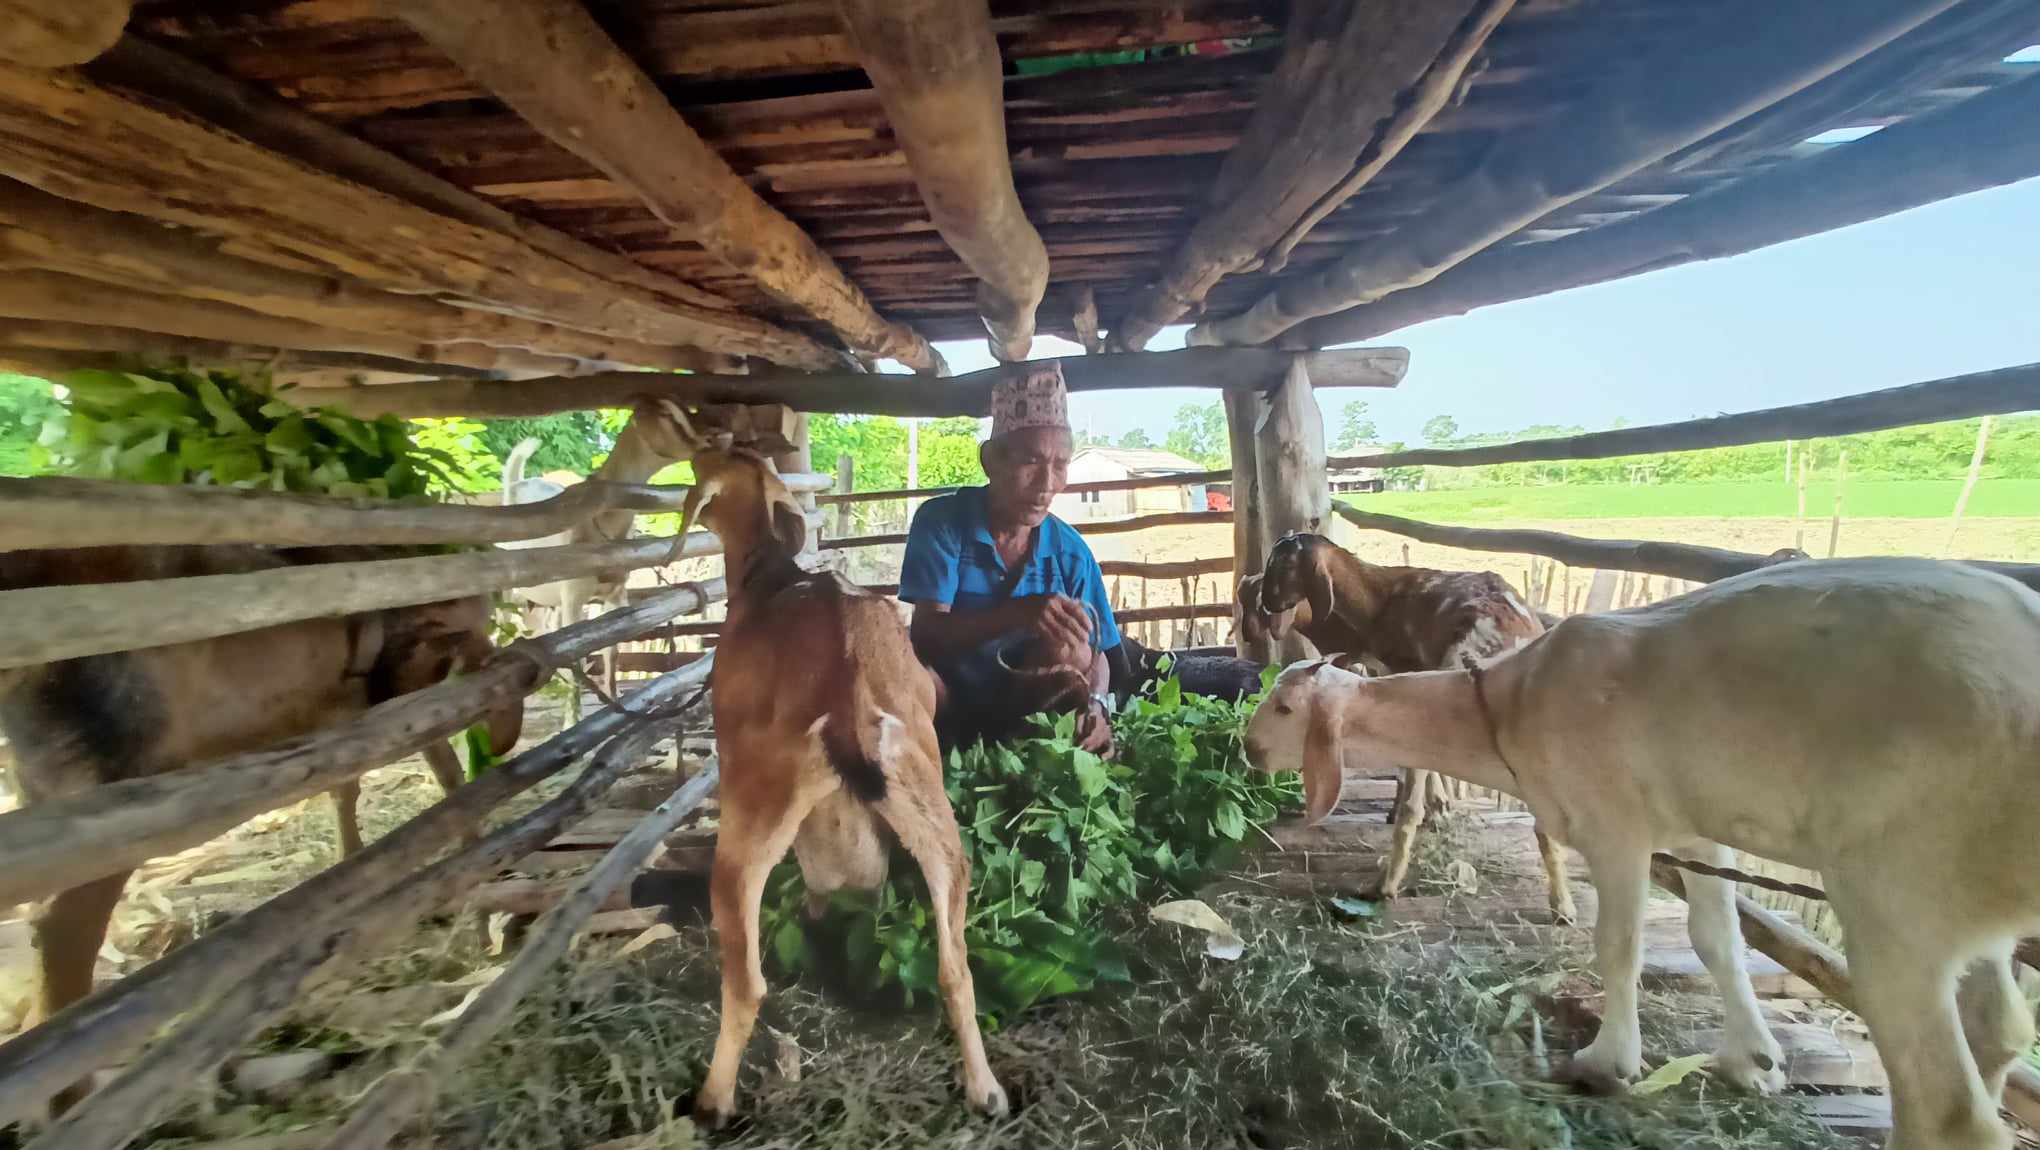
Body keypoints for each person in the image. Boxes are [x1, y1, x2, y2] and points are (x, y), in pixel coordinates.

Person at [899, 362, 1121, 754]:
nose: (1047, 485)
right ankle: (936, 761)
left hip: (1025, 710)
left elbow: (1098, 656)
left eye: (1060, 465)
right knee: (897, 666)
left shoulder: (1070, 553)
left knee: (1072, 650)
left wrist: (1098, 704)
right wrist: (1019, 613)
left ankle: (1023, 758)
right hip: (945, 705)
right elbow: (926, 637)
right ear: (991, 461)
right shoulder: (943, 523)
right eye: (1030, 462)